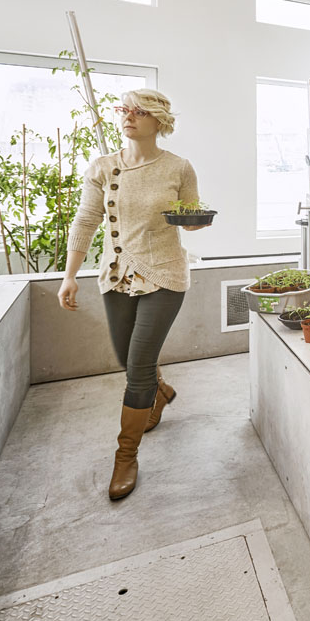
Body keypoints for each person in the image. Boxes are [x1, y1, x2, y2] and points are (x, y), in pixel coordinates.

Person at [57, 89, 209, 501]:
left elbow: (190, 216)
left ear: (159, 121)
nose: (129, 117)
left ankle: (126, 457)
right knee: (127, 360)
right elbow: (86, 220)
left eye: (140, 112)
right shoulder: (104, 167)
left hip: (165, 275)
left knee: (138, 364)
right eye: (124, 110)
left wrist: (194, 222)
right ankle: (160, 392)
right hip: (116, 275)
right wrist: (69, 276)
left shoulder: (178, 167)